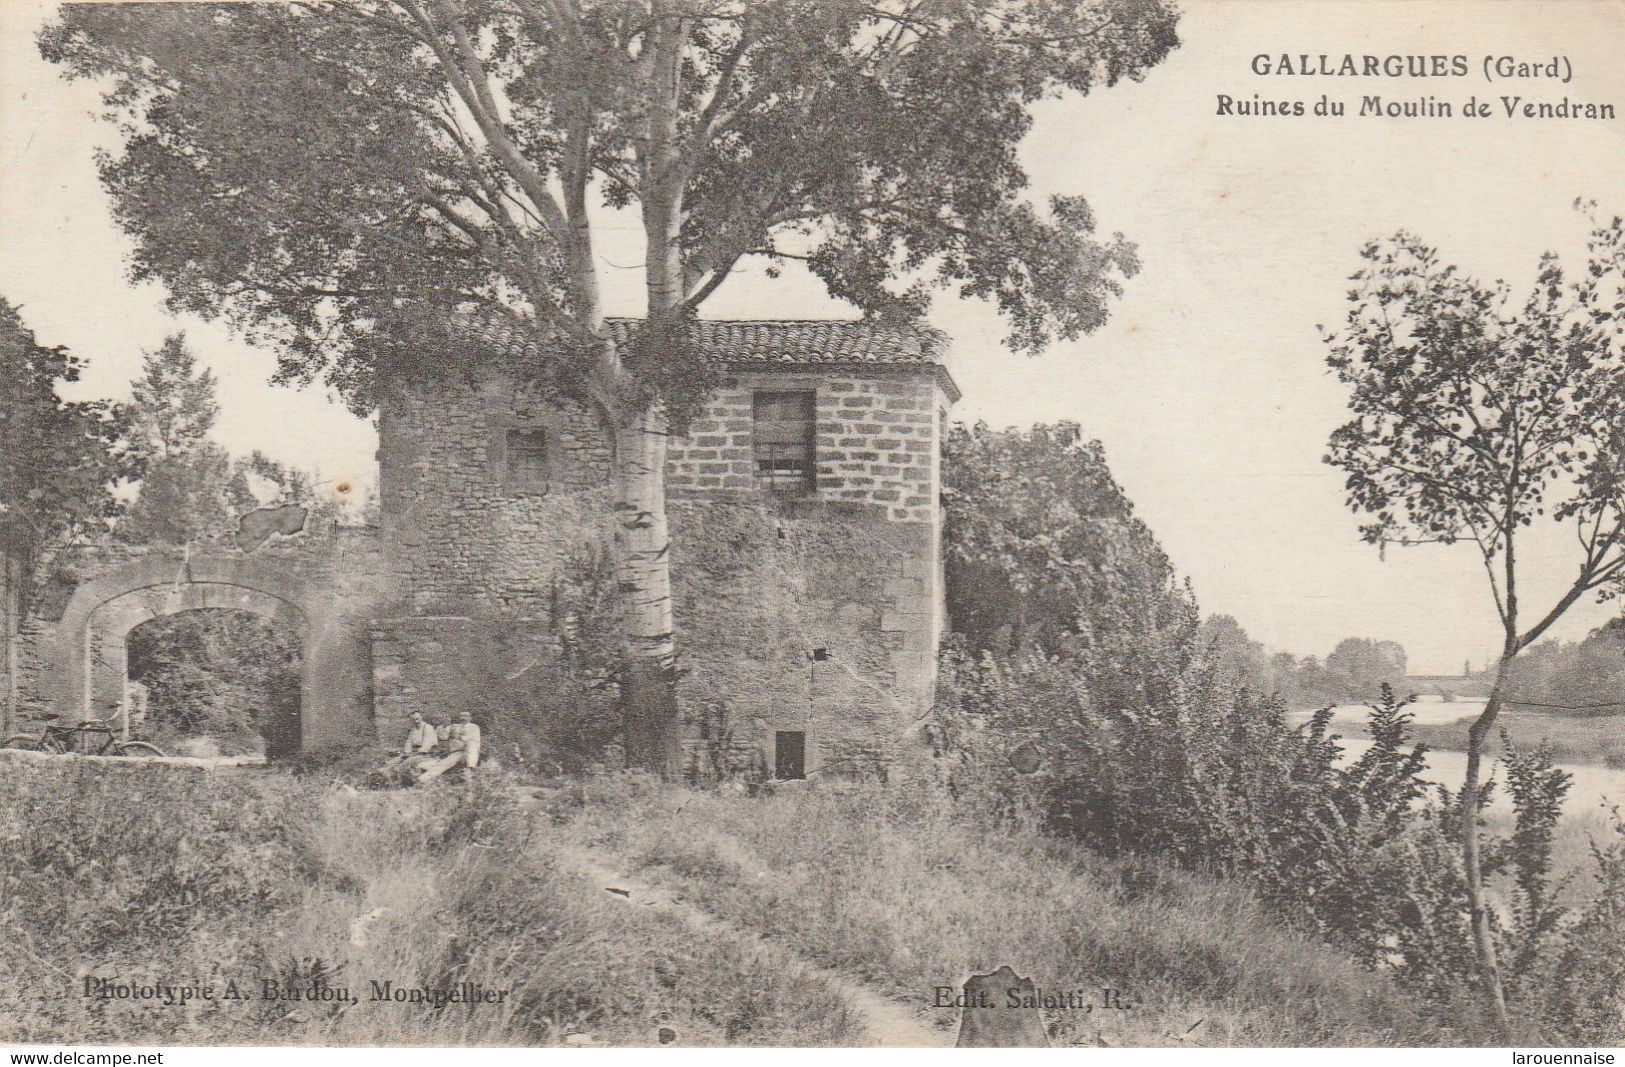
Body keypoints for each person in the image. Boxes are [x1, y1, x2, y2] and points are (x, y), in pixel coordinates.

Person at [416, 710, 481, 784]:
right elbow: (444, 736)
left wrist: (462, 738)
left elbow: (473, 739)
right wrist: (443, 726)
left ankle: (470, 769)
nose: (463, 718)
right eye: (461, 716)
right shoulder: (455, 726)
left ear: (470, 718)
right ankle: (422, 779)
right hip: (458, 752)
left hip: (470, 752)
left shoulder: (474, 727)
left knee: (471, 745)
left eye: (466, 716)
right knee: (444, 763)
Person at [381, 712, 438, 777]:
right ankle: (382, 773)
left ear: (421, 717)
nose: (416, 721)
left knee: (407, 762)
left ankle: (393, 775)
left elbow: (427, 745)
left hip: (426, 754)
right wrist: (407, 752)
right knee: (396, 760)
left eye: (417, 719)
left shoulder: (428, 728)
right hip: (414, 752)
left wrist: (415, 753)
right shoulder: (413, 730)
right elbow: (409, 742)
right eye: (413, 720)